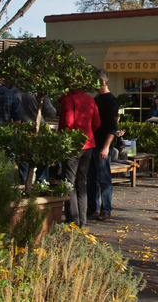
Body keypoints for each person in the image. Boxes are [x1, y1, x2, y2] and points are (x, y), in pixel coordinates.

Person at [59, 85, 101, 227]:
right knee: (81, 182)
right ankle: (82, 221)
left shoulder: (68, 99)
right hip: (88, 144)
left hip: (72, 145)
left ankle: (73, 220)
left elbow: (67, 123)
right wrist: (87, 134)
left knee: (69, 182)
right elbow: (96, 122)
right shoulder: (89, 99)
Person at [88, 69, 119, 221]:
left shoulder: (110, 100)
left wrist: (107, 146)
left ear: (103, 82)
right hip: (93, 143)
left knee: (104, 178)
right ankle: (93, 207)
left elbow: (113, 126)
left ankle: (106, 209)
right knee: (92, 177)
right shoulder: (97, 98)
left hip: (102, 145)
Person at [16, 89, 57, 183]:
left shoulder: (15, 92)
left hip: (22, 130)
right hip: (39, 130)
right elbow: (51, 113)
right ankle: (41, 185)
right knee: (42, 162)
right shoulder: (40, 92)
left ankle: (24, 187)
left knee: (24, 165)